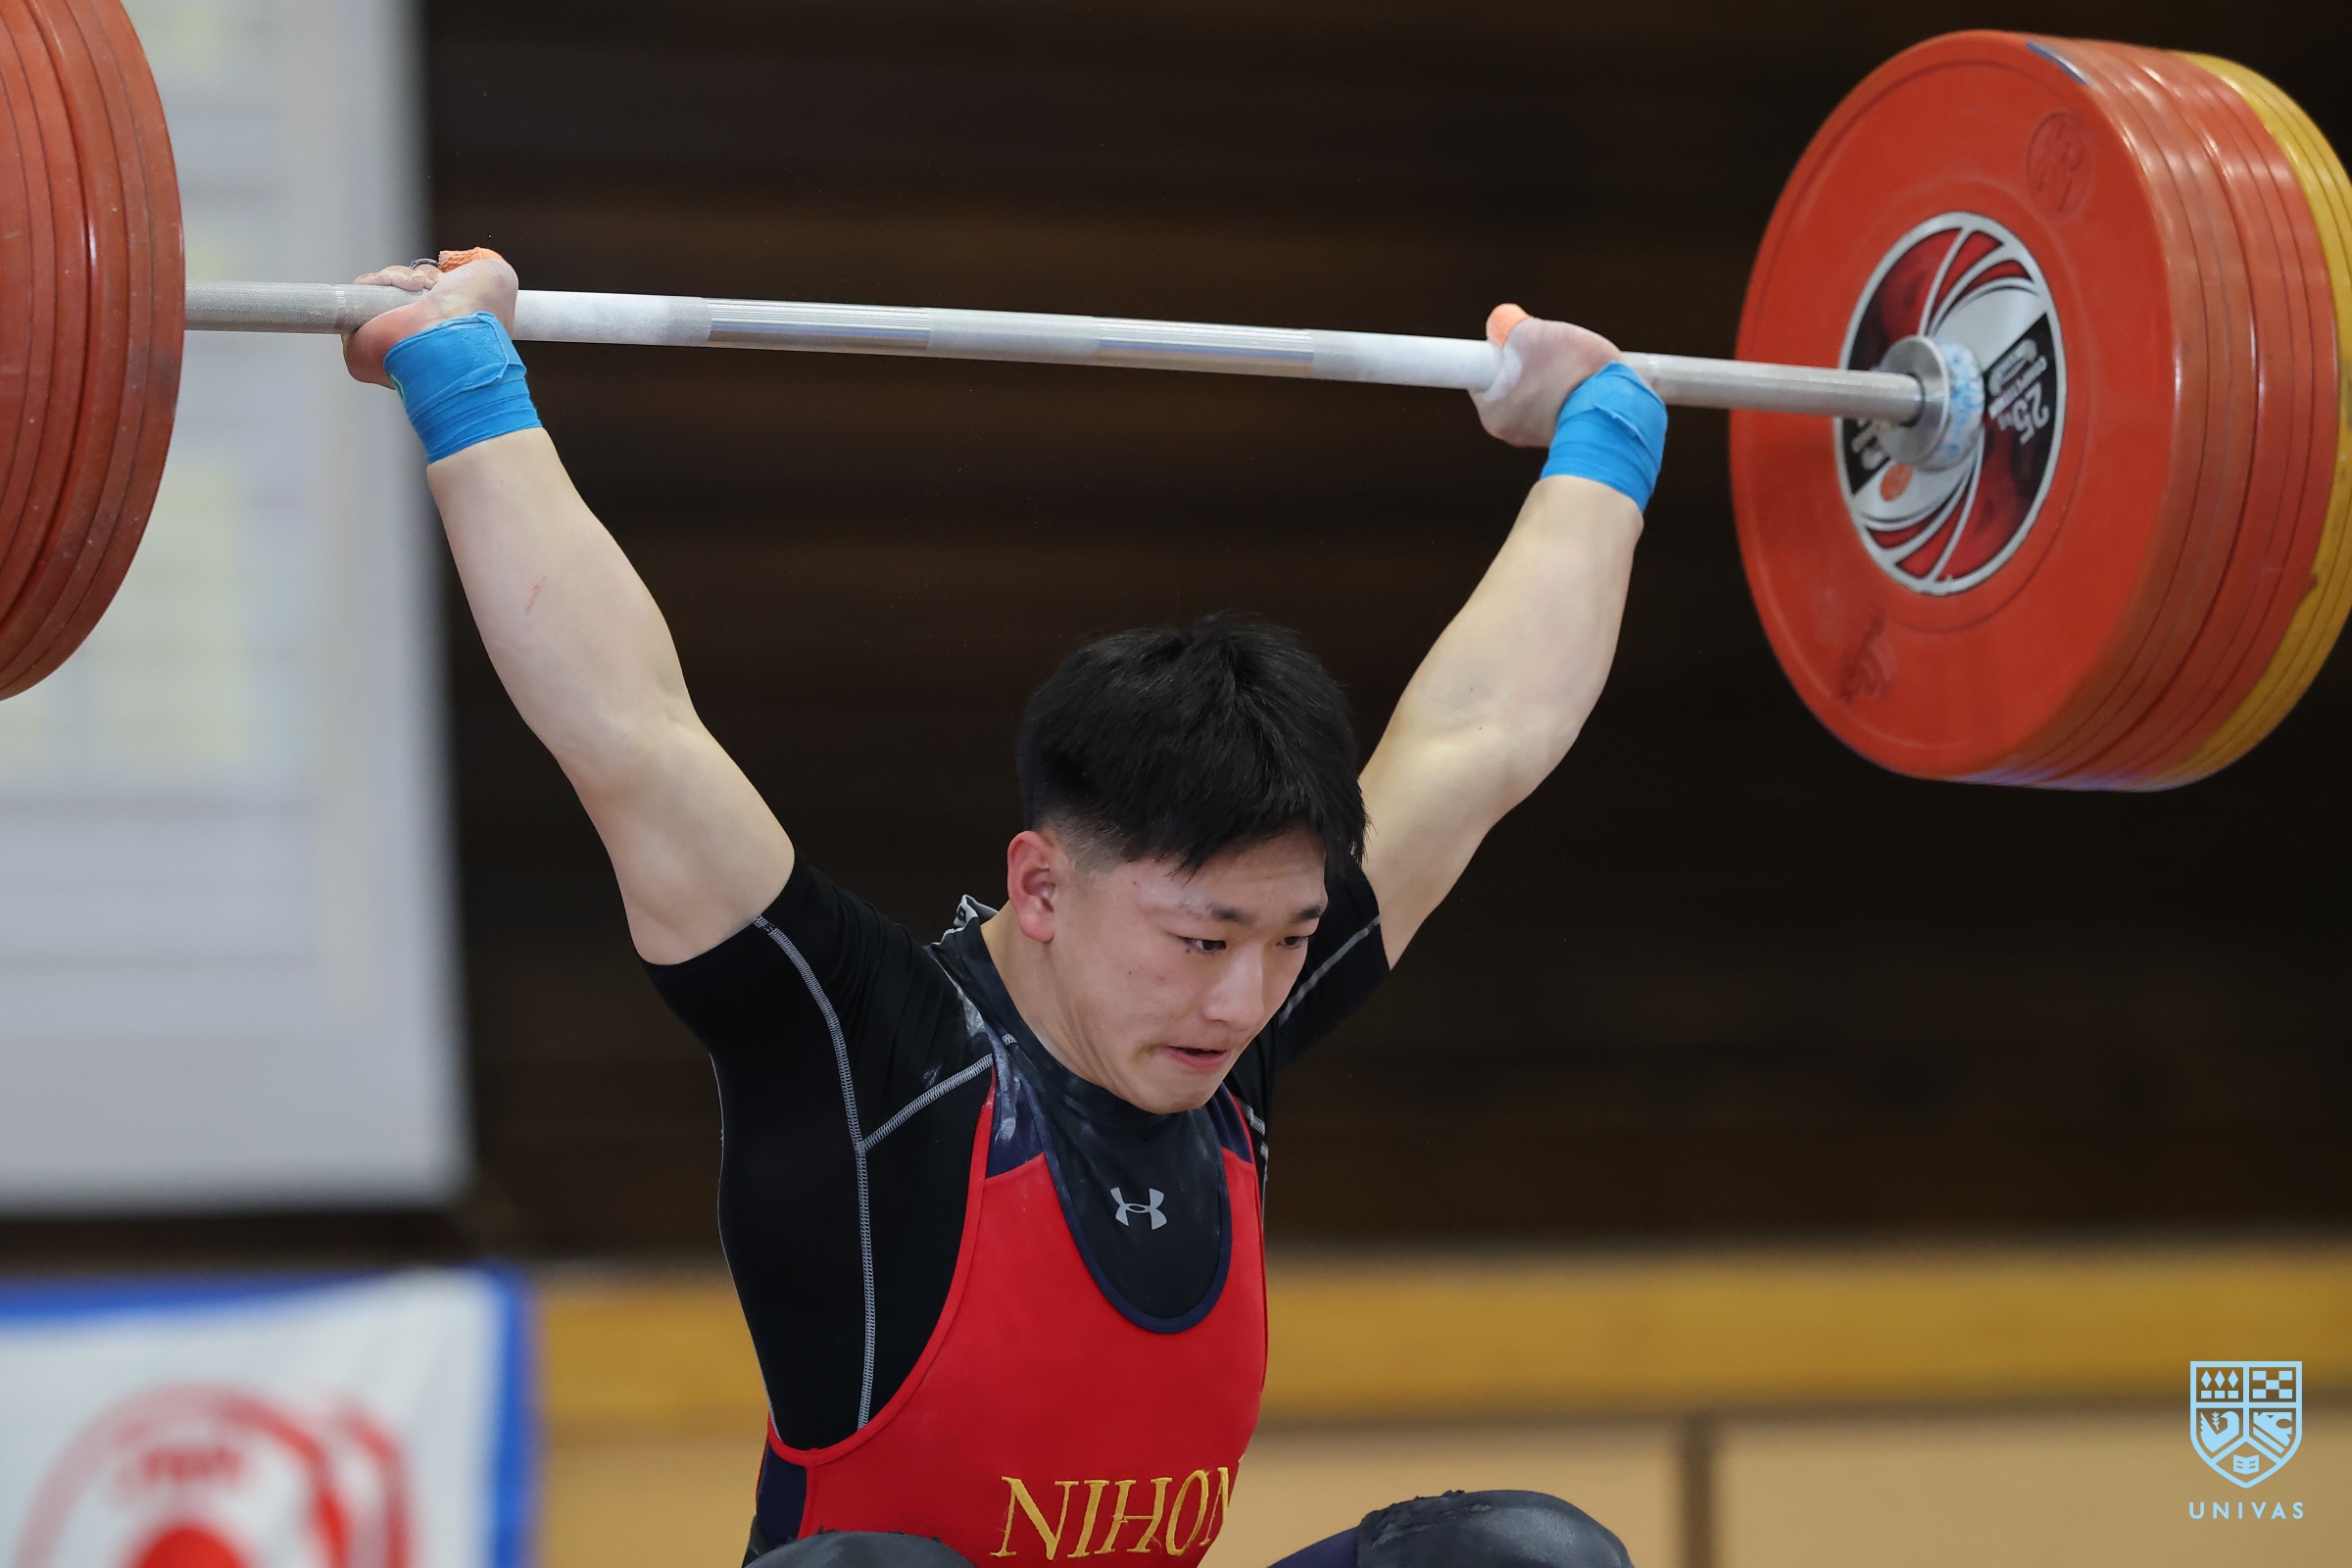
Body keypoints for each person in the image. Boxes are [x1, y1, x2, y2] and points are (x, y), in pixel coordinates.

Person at [344, 251, 1664, 1568]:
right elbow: (633, 734)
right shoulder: (873, 1052)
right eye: (1200, 942)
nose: (1245, 1002)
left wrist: (1599, 428)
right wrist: (461, 371)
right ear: (1040, 885)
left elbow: (1483, 736)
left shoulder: (1235, 1009)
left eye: (1289, 943)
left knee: (1529, 1558)